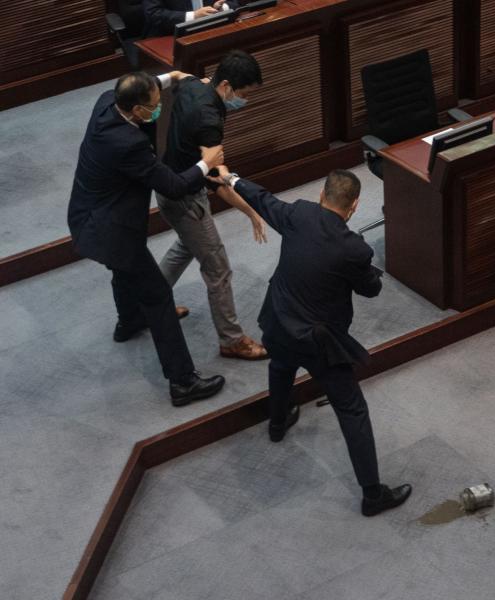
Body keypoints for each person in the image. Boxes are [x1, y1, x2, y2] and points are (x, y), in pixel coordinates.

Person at [209, 167, 413, 517]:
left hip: (277, 321)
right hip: (319, 340)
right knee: (352, 409)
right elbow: (371, 289)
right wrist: (371, 275)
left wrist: (231, 178)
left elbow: (261, 197)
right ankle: (372, 495)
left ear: (322, 194)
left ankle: (276, 424)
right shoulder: (354, 248)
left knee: (281, 365)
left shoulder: (298, 214)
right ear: (354, 207)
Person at [67, 71, 226, 406]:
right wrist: (204, 163)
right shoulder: (129, 145)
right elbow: (173, 185)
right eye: (154, 106)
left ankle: (128, 321)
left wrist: (171, 77)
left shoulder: (107, 101)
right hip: (110, 231)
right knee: (157, 297)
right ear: (137, 110)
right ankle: (183, 383)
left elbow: (143, 83)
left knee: (123, 271)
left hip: (92, 217)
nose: (158, 108)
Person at [157, 50, 268, 361]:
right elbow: (219, 181)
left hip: (167, 184)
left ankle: (148, 301)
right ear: (227, 86)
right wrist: (251, 212)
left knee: (187, 246)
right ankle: (231, 340)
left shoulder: (195, 85)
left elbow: (178, 76)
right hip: (185, 199)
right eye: (243, 94)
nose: (244, 101)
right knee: (218, 267)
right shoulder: (209, 120)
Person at [142, 0, 235, 38]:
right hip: (170, 35)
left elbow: (236, 2)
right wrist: (194, 15)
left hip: (212, 29)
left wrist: (221, 8)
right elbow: (153, 14)